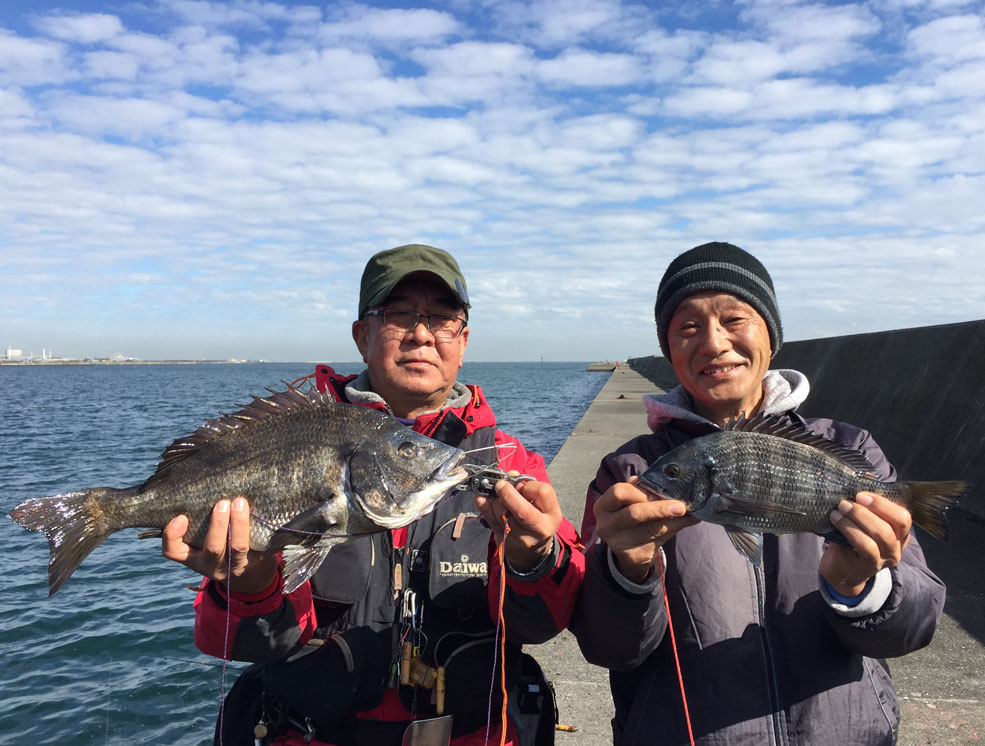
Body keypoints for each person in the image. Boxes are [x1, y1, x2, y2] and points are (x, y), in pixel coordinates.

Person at [163, 244, 584, 746]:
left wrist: (535, 559)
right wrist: (251, 584)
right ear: (363, 337)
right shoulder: (306, 434)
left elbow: (544, 622)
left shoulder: (510, 463)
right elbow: (231, 640)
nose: (422, 333)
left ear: (463, 340)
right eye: (400, 314)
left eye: (443, 318)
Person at [570, 242, 945, 746]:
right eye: (688, 327)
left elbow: (915, 627)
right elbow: (608, 646)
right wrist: (625, 573)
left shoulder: (849, 447)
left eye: (734, 319)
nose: (714, 342)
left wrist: (861, 588)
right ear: (668, 350)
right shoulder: (629, 472)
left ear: (771, 334)